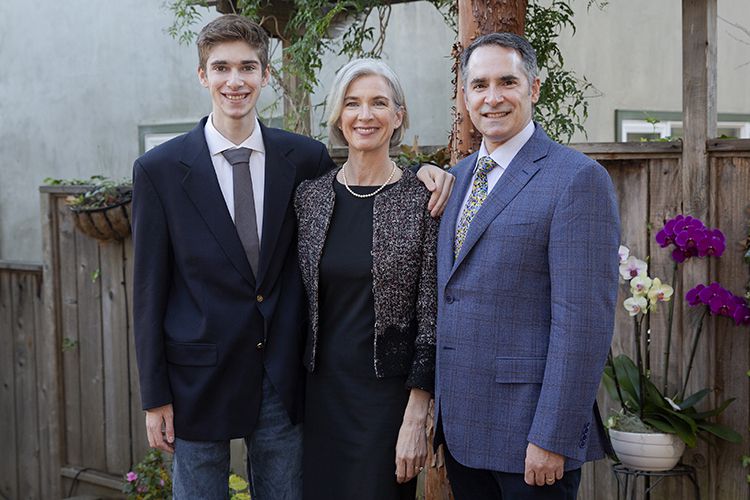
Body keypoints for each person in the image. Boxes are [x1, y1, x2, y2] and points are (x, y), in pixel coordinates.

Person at [131, 15, 452, 500]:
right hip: (196, 379)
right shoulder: (157, 170)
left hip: (283, 379)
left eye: (247, 68)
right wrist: (155, 396)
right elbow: (149, 289)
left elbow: (367, 188)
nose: (234, 81)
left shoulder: (302, 160)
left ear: (264, 74)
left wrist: (428, 172)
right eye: (221, 68)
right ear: (203, 75)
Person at [434, 32, 620, 500]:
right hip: (461, 434)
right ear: (465, 95)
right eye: (479, 85)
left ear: (533, 88)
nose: (492, 98)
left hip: (530, 436)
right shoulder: (453, 182)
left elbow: (584, 322)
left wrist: (553, 436)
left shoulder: (577, 179)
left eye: (507, 82)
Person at [294, 58, 438, 500]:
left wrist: (418, 412)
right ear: (338, 116)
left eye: (379, 103)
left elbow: (431, 315)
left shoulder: (423, 198)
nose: (365, 115)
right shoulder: (310, 197)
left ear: (398, 116)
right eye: (352, 104)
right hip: (319, 397)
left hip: (387, 402)